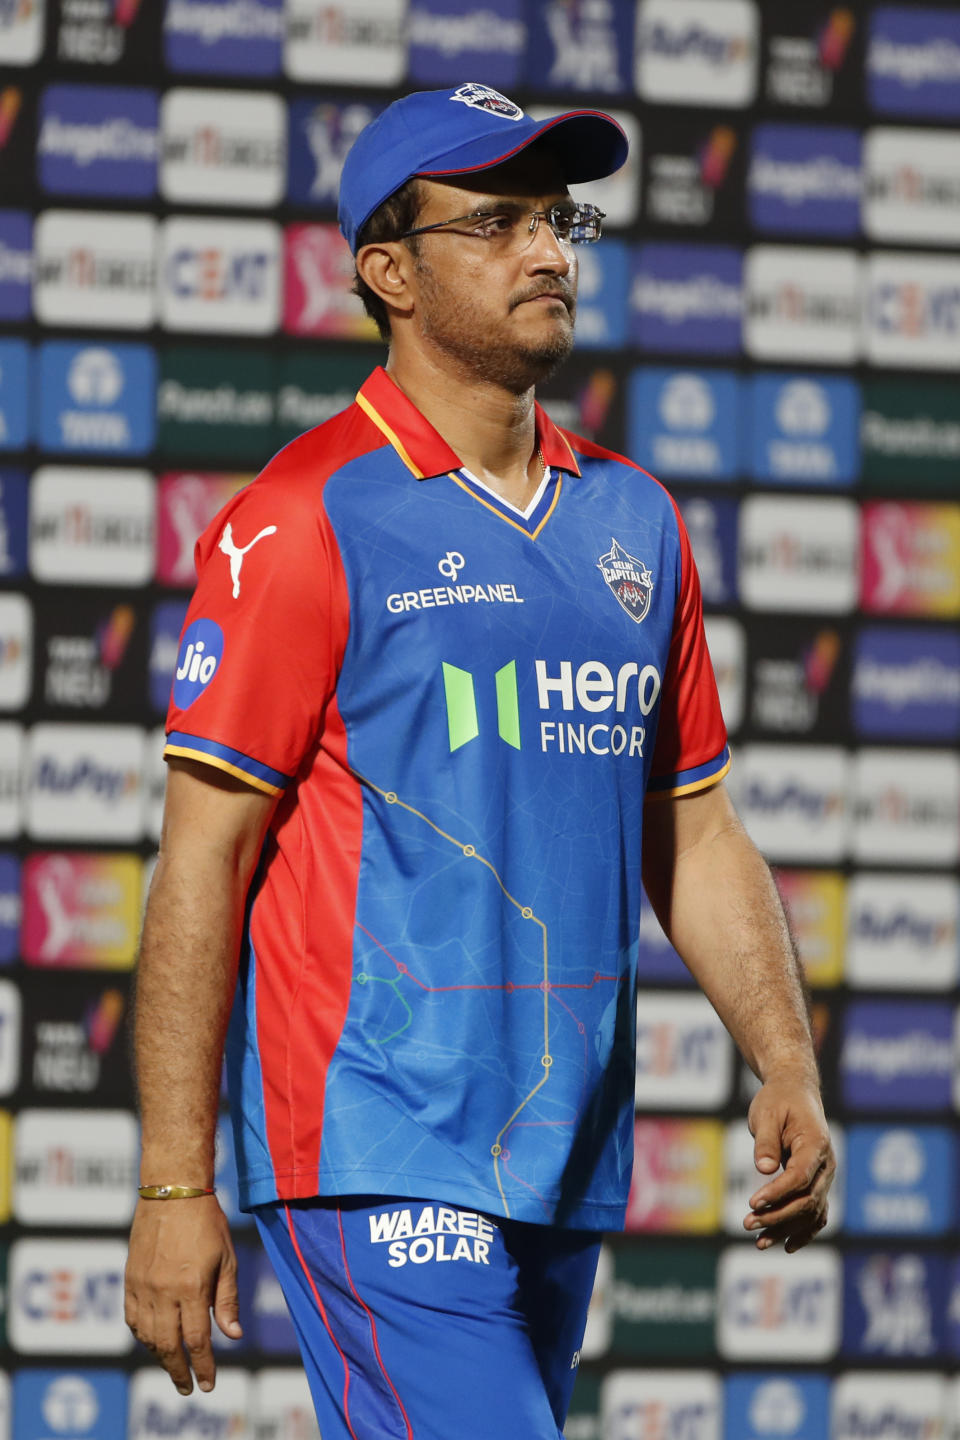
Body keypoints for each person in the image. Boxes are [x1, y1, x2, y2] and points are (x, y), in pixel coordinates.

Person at [125, 83, 835, 1440]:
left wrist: (785, 1059)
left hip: (558, 1158)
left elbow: (695, 831)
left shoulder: (635, 518)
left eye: (560, 220)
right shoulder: (304, 515)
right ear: (388, 272)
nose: (550, 252)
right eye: (497, 221)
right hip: (371, 1144)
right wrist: (173, 1181)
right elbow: (202, 855)